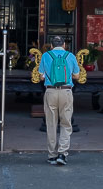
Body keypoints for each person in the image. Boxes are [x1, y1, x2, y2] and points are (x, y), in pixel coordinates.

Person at [33, 35, 84, 166]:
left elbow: (41, 77)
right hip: (66, 91)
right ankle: (62, 153)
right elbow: (77, 76)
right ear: (64, 45)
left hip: (50, 92)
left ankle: (51, 155)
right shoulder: (70, 56)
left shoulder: (45, 56)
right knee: (66, 123)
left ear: (51, 45)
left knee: (51, 124)